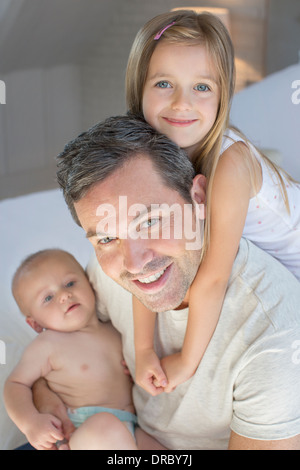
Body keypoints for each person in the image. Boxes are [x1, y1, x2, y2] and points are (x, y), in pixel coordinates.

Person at [45, 114, 300, 450]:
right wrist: (49, 405)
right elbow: (66, 345)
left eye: (149, 222)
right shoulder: (108, 270)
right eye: (106, 238)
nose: (135, 263)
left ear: (198, 197)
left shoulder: (275, 333)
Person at [125, 9, 300, 394]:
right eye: (164, 83)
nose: (181, 103)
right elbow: (145, 255)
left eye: (202, 87)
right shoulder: (145, 163)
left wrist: (187, 361)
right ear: (139, 88)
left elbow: (214, 276)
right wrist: (143, 349)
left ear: (223, 96)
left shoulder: (230, 164)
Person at [4, 248, 159, 450]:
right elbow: (15, 384)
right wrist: (30, 422)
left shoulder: (115, 328)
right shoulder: (48, 344)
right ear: (35, 324)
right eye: (48, 298)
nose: (64, 295)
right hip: (80, 431)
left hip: (130, 426)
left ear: (90, 283)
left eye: (70, 283)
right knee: (106, 428)